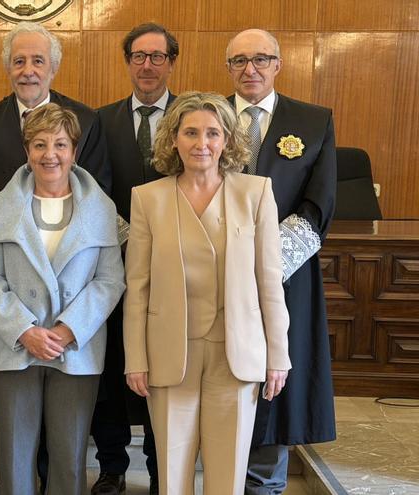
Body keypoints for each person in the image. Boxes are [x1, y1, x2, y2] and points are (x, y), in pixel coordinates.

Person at [123, 91, 291, 494]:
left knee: (228, 471)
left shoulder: (256, 193)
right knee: (172, 467)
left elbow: (270, 280)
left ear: (228, 140)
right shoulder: (148, 198)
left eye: (213, 133)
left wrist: (278, 355)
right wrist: (135, 357)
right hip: (169, 352)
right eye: (191, 132)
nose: (202, 143)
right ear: (173, 139)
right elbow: (138, 288)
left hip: (236, 351)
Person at [0, 103, 125, 495]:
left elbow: (109, 280)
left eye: (60, 144)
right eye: (39, 144)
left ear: (74, 151)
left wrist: (65, 330)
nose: (50, 154)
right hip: (15, 346)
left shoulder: (102, 208)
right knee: (14, 455)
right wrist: (25, 330)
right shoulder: (1, 206)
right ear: (27, 151)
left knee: (70, 455)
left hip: (76, 348)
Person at [223, 29, 338, 494]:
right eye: (239, 61)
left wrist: (264, 263)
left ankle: (264, 482)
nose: (250, 69)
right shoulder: (203, 115)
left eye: (260, 59)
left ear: (278, 64)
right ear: (227, 67)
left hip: (285, 276)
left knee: (274, 375)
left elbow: (318, 204)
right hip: (215, 271)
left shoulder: (312, 121)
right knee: (223, 372)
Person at [93, 22, 180, 495]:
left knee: (162, 370)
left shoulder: (191, 117)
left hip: (174, 269)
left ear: (171, 62)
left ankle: (161, 465)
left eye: (157, 56)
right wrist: (131, 241)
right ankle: (111, 466)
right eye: (138, 56)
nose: (147, 65)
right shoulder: (98, 121)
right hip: (111, 261)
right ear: (127, 62)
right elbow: (94, 190)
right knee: (112, 369)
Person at [0, 21, 111, 200]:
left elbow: (98, 193)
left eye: (38, 61)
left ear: (53, 69)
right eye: (19, 62)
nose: (28, 71)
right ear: (8, 69)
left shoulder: (87, 122)